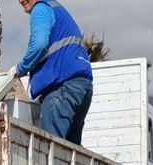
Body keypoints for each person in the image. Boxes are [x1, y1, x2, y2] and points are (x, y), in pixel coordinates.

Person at [9, 0, 94, 145]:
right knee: (71, 152)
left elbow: (39, 45)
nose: (20, 0)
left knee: (52, 150)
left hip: (62, 86)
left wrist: (20, 69)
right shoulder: (57, 10)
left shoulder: (40, 8)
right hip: (82, 86)